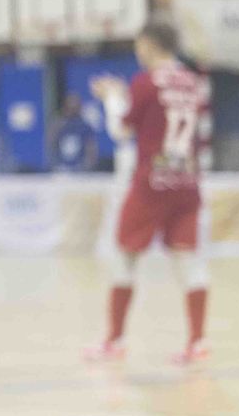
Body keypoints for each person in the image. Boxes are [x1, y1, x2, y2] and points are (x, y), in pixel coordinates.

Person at [88, 22, 212, 366]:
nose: (137, 51)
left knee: (124, 257)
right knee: (189, 262)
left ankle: (115, 341)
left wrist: (113, 97)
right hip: (187, 182)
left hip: (150, 183)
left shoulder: (145, 82)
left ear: (150, 44)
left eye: (139, 44)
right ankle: (198, 341)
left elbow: (121, 130)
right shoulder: (194, 83)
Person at [51, 94, 99, 173]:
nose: (72, 109)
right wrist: (54, 164)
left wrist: (87, 166)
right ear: (64, 107)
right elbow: (50, 143)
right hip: (61, 168)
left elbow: (91, 148)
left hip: (79, 168)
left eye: (75, 107)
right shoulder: (58, 125)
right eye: (70, 107)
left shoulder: (85, 126)